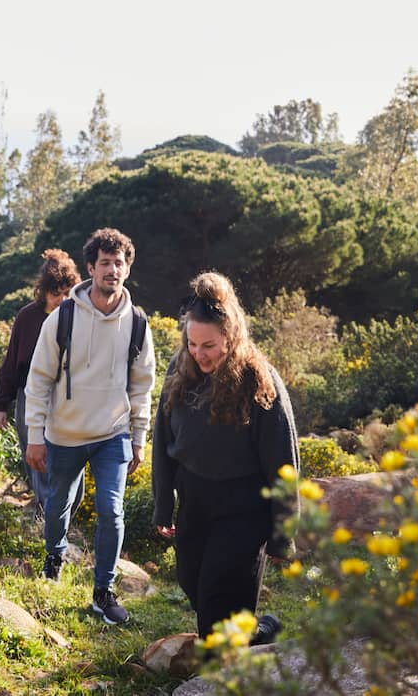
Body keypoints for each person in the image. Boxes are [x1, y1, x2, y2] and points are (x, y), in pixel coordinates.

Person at [152, 271, 299, 644]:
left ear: (230, 338)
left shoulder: (258, 379)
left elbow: (283, 460)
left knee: (217, 595)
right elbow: (164, 439)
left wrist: (284, 534)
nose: (199, 354)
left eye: (209, 346)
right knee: (192, 581)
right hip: (195, 502)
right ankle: (258, 632)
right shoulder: (179, 370)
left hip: (243, 509)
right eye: (192, 344)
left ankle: (224, 667)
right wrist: (162, 504)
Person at [25, 227, 156, 624]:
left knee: (111, 509)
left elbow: (142, 384)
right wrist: (35, 437)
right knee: (58, 504)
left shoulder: (137, 322)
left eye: (119, 263)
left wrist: (138, 438)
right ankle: (54, 556)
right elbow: (39, 378)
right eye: (105, 263)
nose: (112, 270)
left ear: (127, 269)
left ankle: (104, 590)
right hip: (64, 434)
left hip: (112, 433)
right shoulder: (63, 316)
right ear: (91, 267)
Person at [0, 248, 83, 518]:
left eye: (67, 293)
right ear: (43, 291)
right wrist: (0, 404)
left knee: (73, 461)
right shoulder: (27, 317)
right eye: (56, 293)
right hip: (29, 397)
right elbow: (11, 363)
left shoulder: (80, 316)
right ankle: (46, 518)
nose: (62, 299)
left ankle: (64, 518)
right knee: (37, 459)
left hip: (70, 399)